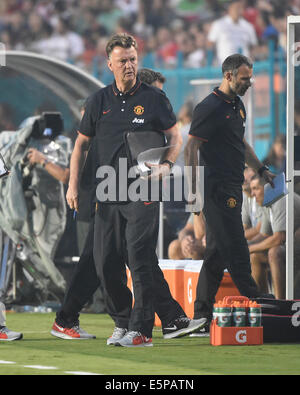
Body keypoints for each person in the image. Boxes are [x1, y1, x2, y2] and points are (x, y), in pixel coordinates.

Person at [64, 34, 206, 347]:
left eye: (133, 59)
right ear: (109, 64)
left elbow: (176, 137)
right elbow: (81, 145)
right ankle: (123, 323)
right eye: (123, 61)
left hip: (143, 188)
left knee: (140, 257)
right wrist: (73, 184)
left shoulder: (154, 99)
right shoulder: (99, 100)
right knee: (105, 262)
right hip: (108, 190)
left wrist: (167, 165)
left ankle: (142, 331)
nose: (129, 66)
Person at [184, 53, 276, 324]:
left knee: (215, 252)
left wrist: (260, 169)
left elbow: (241, 143)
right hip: (216, 188)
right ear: (228, 76)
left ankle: (201, 315)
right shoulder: (209, 107)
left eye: (250, 78)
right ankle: (255, 298)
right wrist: (193, 192)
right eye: (244, 78)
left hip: (233, 184)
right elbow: (191, 149)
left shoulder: (237, 105)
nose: (249, 83)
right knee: (235, 243)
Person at [249, 174, 300, 299]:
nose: (252, 194)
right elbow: (264, 235)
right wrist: (244, 245)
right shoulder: (269, 201)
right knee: (255, 256)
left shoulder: (281, 199)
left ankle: (280, 302)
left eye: (256, 188)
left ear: (267, 188)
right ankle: (263, 300)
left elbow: (279, 238)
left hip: (295, 246)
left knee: (274, 252)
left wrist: (248, 248)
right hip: (291, 247)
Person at [207, 0, 258, 65]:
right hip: (225, 66)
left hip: (244, 67)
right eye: (236, 8)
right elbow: (210, 44)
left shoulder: (248, 26)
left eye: (240, 7)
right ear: (230, 8)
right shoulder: (218, 24)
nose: (238, 10)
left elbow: (253, 46)